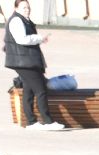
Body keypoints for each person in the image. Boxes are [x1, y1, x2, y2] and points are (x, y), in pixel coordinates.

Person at [4, 0, 65, 131]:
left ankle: (31, 122)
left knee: (29, 90)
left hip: (25, 61)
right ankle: (47, 121)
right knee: (41, 90)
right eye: (24, 7)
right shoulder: (16, 20)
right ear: (16, 8)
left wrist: (40, 39)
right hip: (23, 62)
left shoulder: (24, 20)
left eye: (28, 7)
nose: (27, 10)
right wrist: (39, 38)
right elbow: (21, 39)